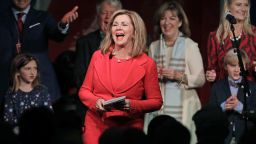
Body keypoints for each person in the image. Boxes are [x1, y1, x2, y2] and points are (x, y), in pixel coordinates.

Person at [78, 9, 163, 144]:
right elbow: (84, 91)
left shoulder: (147, 63)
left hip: (129, 127)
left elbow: (156, 101)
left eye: (124, 24)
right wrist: (96, 102)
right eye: (115, 24)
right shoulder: (98, 56)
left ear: (135, 32)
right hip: (97, 123)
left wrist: (132, 104)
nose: (118, 27)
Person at [143, 1, 205, 144]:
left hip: (183, 108)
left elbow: (200, 79)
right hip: (159, 109)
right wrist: (154, 76)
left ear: (180, 22)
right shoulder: (154, 46)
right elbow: (148, 79)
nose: (166, 22)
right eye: (163, 18)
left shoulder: (190, 45)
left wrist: (179, 76)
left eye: (172, 18)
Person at [0, 0, 79, 106]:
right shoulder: (2, 17)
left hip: (40, 84)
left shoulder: (43, 17)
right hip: (6, 85)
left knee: (41, 121)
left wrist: (62, 25)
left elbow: (57, 35)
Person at [74, 0, 122, 124]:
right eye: (104, 13)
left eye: (112, 13)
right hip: (91, 108)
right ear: (98, 16)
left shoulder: (128, 44)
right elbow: (80, 78)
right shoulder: (84, 43)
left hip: (119, 110)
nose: (108, 17)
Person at [208, 48, 256, 144]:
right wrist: (223, 107)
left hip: (245, 138)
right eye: (233, 65)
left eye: (240, 66)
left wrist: (240, 107)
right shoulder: (217, 87)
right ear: (226, 66)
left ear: (245, 67)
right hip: (223, 139)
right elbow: (209, 116)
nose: (237, 69)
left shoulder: (253, 87)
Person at [206, 0, 256, 82]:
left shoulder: (254, 34)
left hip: (251, 91)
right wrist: (212, 75)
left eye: (246, 5)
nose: (243, 9)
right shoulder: (215, 37)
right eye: (239, 5)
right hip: (225, 92)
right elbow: (213, 69)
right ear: (228, 7)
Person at [3, 54, 53, 126]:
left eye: (35, 68)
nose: (32, 73)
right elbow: (8, 119)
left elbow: (49, 115)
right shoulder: (11, 93)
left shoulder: (42, 91)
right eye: (28, 68)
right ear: (17, 71)